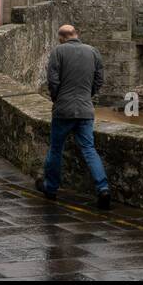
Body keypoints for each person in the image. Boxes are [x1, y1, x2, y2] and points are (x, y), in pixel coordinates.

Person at [36, 24, 111, 209]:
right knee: (89, 148)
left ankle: (51, 188)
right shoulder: (93, 52)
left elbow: (52, 81)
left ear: (61, 38)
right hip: (86, 110)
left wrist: (58, 99)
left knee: (56, 149)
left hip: (63, 110)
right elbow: (99, 80)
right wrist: (88, 96)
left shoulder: (58, 52)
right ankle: (103, 188)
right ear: (77, 34)